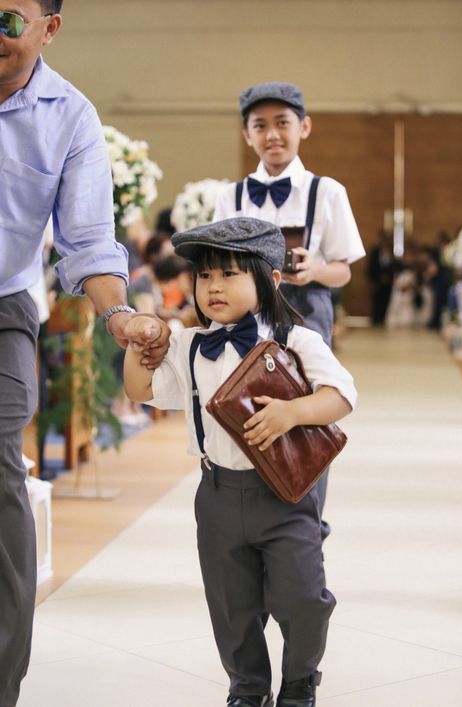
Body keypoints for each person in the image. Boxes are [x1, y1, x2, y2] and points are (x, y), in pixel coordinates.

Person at [0, 3, 167, 705]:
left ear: (48, 28)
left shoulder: (68, 116)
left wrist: (119, 312)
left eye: (9, 20)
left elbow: (90, 239)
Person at [124, 217, 357, 707]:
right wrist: (137, 343)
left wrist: (293, 412)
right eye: (205, 276)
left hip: (285, 496)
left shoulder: (294, 341)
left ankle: (299, 683)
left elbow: (341, 396)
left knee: (303, 598)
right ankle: (247, 687)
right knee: (231, 607)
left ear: (269, 279)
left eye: (230, 274)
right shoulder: (188, 347)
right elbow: (140, 389)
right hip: (218, 496)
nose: (213, 287)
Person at [213, 83, 364, 536]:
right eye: (261, 125)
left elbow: (345, 271)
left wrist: (315, 269)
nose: (273, 134)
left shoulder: (327, 191)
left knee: (306, 415)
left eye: (283, 123)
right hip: (244, 321)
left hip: (306, 314)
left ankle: (305, 519)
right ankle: (248, 523)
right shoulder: (230, 196)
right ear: (247, 135)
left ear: (304, 127)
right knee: (242, 410)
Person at [367, 230, 395, 326]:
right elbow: (371, 267)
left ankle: (384, 319)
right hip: (377, 281)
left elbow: (393, 267)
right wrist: (373, 280)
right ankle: (376, 320)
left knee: (386, 301)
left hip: (388, 283)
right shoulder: (375, 252)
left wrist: (389, 278)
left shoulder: (391, 252)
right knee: (376, 301)